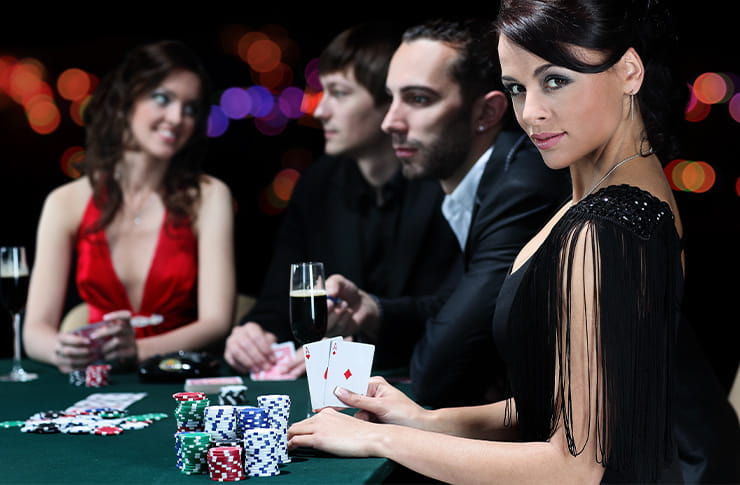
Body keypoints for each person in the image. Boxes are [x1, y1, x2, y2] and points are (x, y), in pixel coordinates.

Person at [289, 2, 739, 483]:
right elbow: (567, 403)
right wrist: (425, 420)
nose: (531, 113)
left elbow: (578, 467)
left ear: (630, 71)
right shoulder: (602, 194)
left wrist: (380, 439)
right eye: (517, 88)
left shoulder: (609, 226)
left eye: (556, 80)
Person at [323, 18, 571, 407]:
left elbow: (438, 377)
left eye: (419, 99)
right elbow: (460, 305)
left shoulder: (521, 187)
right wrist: (376, 310)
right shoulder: (489, 176)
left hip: (652, 456)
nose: (390, 122)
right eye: (391, 97)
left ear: (486, 114)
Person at [223, 22, 460, 377]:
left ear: (388, 104)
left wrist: (348, 348)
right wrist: (253, 334)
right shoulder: (317, 183)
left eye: (340, 93)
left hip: (424, 386)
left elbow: (454, 314)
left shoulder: (443, 185)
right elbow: (279, 298)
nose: (320, 110)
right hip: (335, 391)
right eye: (324, 91)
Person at [23, 40, 236, 373]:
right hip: (98, 377)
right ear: (125, 101)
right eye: (162, 98)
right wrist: (62, 350)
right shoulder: (65, 202)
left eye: (191, 108)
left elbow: (216, 321)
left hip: (174, 375)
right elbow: (35, 331)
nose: (178, 118)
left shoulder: (209, 196)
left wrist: (137, 349)